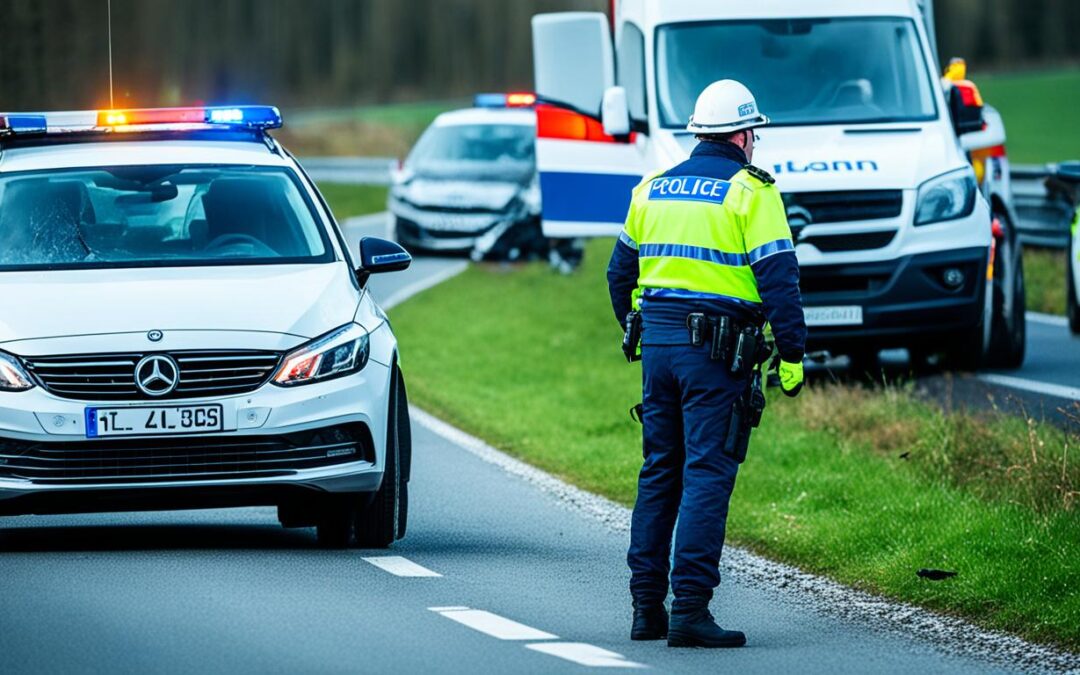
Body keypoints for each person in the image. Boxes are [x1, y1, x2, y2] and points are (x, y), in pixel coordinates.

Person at [606, 80, 807, 648]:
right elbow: (779, 280)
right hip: (716, 358)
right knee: (707, 474)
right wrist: (791, 353)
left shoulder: (653, 189)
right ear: (743, 134)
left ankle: (647, 609)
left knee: (659, 472)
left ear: (699, 134)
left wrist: (636, 326)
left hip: (660, 351)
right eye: (754, 135)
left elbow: (619, 275)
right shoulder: (752, 191)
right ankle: (691, 609)